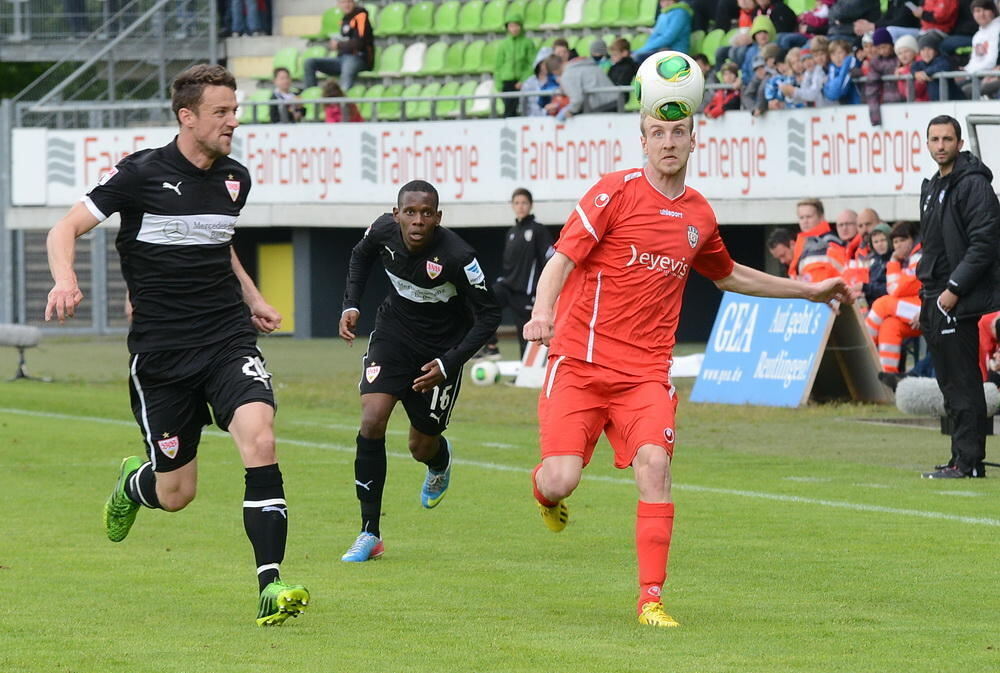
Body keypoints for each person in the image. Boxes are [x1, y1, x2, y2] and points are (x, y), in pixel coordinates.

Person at [522, 111, 852, 628]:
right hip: (580, 364)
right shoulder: (613, 192)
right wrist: (542, 312)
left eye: (678, 133)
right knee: (561, 479)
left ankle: (650, 600)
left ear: (694, 140)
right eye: (658, 133)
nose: (668, 142)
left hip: (645, 374)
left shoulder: (698, 213)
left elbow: (729, 274)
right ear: (644, 141)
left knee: (655, 467)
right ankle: (543, 492)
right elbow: (561, 260)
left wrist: (809, 291)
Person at [43, 64, 309, 626]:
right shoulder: (139, 175)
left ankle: (270, 584)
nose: (233, 121)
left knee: (260, 437)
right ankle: (132, 483)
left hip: (226, 339)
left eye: (235, 110)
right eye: (221, 112)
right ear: (187, 117)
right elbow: (62, 229)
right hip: (162, 357)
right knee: (176, 493)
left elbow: (219, 243)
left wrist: (254, 296)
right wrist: (66, 279)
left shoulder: (236, 178)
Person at [338, 180, 502, 561]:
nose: (417, 221)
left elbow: (490, 314)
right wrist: (350, 304)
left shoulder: (460, 256)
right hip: (393, 336)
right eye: (409, 212)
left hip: (441, 352)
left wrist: (449, 362)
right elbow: (360, 255)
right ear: (396, 215)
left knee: (420, 445)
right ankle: (369, 533)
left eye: (426, 213)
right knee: (372, 419)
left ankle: (439, 459)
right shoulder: (381, 231)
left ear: (437, 218)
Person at [917, 115, 1000, 478]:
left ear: (959, 143)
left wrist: (954, 289)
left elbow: (984, 245)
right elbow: (934, 247)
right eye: (934, 139)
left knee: (964, 381)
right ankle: (959, 458)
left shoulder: (973, 185)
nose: (940, 146)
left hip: (957, 297)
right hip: (935, 295)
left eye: (947, 139)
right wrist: (927, 297)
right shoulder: (934, 185)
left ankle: (969, 463)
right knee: (949, 382)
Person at [479, 188, 555, 359]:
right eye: (517, 203)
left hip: (526, 295)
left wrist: (541, 291)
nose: (520, 206)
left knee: (527, 338)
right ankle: (491, 347)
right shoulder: (511, 233)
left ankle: (525, 374)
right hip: (508, 287)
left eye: (524, 203)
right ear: (512, 205)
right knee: (484, 301)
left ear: (531, 205)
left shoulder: (538, 231)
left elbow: (550, 260)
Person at [864, 221, 923, 373]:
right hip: (915, 309)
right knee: (889, 325)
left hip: (926, 310)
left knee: (882, 304)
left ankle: (862, 351)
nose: (898, 246)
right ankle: (888, 375)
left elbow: (894, 289)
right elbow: (899, 289)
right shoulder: (907, 259)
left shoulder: (918, 256)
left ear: (913, 239)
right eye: (895, 242)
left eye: (902, 240)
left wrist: (893, 262)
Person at [303, 0, 374, 91]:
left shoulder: (361, 16)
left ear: (354, 3)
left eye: (349, 2)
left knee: (347, 67)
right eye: (343, 2)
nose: (346, 5)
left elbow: (360, 43)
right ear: (338, 4)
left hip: (359, 58)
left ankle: (342, 100)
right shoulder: (344, 19)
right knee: (310, 62)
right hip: (341, 59)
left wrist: (339, 45)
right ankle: (311, 98)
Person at [551, 51, 620, 120]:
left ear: (554, 72)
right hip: (616, 101)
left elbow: (577, 99)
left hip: (601, 106)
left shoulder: (567, 75)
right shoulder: (587, 64)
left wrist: (570, 111)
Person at [494, 13, 536, 118]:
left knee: (519, 109)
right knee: (509, 109)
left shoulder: (528, 43)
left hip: (521, 82)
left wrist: (523, 80)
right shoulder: (503, 45)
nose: (514, 29)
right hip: (507, 82)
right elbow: (498, 66)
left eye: (516, 25)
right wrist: (498, 84)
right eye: (511, 26)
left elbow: (533, 63)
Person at [961, 0, 1000, 99]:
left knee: (965, 88)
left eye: (985, 10)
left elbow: (992, 61)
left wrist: (969, 72)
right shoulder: (977, 35)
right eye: (977, 11)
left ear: (993, 11)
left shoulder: (997, 29)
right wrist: (966, 70)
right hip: (980, 74)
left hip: (990, 74)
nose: (981, 14)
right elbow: (975, 60)